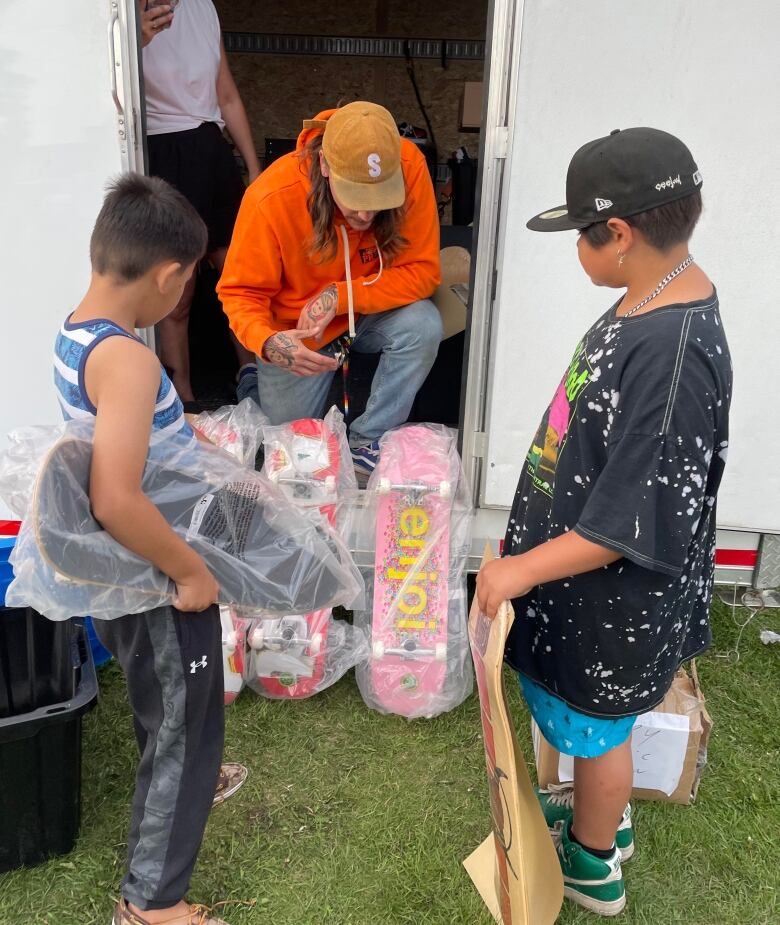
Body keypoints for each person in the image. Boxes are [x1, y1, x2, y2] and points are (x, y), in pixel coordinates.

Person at [476, 128, 731, 916]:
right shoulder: (653, 296)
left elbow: (633, 519)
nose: (577, 256)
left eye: (580, 239)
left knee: (598, 732)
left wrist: (516, 569)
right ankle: (599, 816)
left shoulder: (673, 352)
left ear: (618, 235)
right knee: (591, 729)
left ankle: (592, 862)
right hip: (582, 583)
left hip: (609, 596)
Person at [55, 174, 245, 925]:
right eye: (192, 278)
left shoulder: (80, 332)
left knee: (166, 703)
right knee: (184, 715)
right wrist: (193, 571)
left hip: (126, 573)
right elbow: (117, 496)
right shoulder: (130, 361)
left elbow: (119, 448)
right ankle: (150, 903)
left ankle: (187, 775)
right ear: (169, 276)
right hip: (157, 573)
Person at [217, 101, 443, 478]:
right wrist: (270, 343)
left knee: (423, 324)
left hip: (369, 312)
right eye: (355, 198)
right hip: (298, 332)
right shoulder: (270, 196)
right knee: (289, 451)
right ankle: (253, 382)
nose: (366, 215)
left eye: (379, 199)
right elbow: (240, 294)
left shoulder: (409, 164)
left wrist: (341, 295)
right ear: (324, 165)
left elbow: (423, 271)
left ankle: (367, 443)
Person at [139, 0, 260, 402]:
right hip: (163, 150)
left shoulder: (203, 7)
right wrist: (137, 38)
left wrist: (255, 171)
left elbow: (226, 95)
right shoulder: (122, 12)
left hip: (211, 147)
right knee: (179, 289)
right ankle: (183, 401)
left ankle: (251, 378)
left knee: (239, 278)